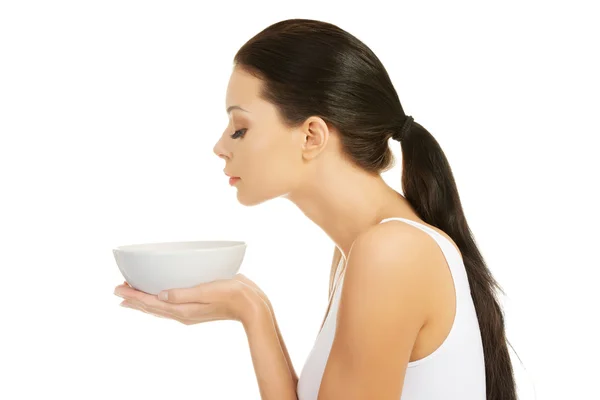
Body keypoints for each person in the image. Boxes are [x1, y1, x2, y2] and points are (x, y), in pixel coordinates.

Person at [113, 18, 517, 400]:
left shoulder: (391, 253)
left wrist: (252, 308)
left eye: (240, 128)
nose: (220, 147)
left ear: (311, 135)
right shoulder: (358, 254)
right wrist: (252, 310)